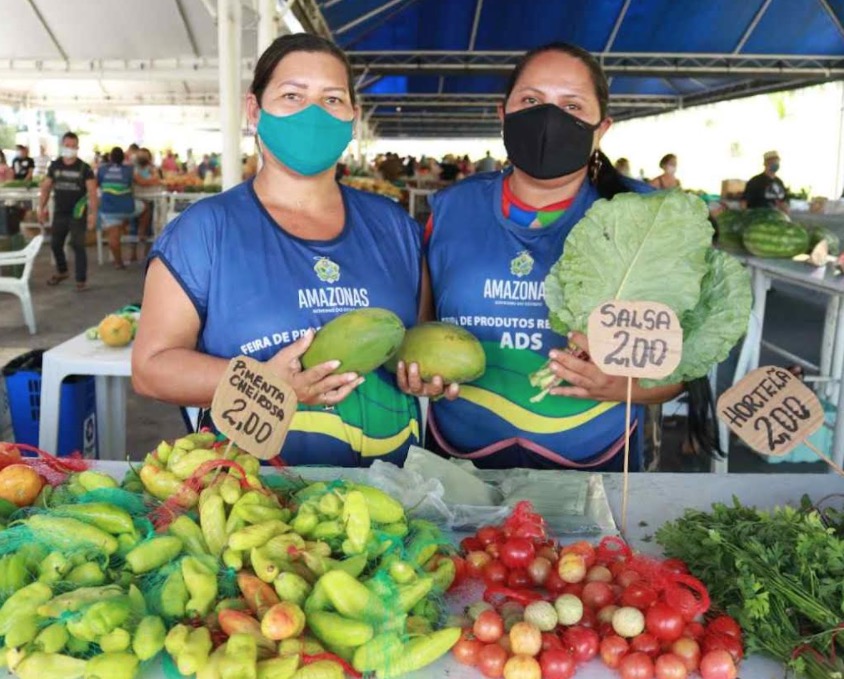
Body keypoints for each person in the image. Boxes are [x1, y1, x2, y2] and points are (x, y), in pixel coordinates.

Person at [132, 33, 423, 467]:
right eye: (292, 95)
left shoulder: (396, 226)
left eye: (332, 99)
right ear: (254, 110)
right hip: (254, 500)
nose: (313, 113)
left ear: (351, 118)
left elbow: (418, 339)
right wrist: (265, 382)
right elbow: (151, 368)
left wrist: (425, 374)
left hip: (396, 493)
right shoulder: (205, 230)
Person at [399, 42, 684, 470]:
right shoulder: (452, 209)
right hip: (459, 461)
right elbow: (420, 330)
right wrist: (417, 375)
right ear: (503, 113)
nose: (549, 119)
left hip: (595, 462)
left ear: (601, 127)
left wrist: (620, 385)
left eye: (571, 105)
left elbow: (682, 372)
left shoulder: (643, 217)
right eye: (531, 101)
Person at [39, 132, 98, 291]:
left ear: (77, 148)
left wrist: (93, 214)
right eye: (67, 146)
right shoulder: (55, 165)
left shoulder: (84, 168)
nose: (70, 149)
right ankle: (63, 270)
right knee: (55, 244)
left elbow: (92, 192)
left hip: (77, 212)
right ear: (62, 146)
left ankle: (81, 280)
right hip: (60, 211)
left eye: (73, 146)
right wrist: (41, 208)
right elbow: (46, 188)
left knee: (78, 245)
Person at [97, 146, 142, 269]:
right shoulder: (129, 170)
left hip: (108, 208)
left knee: (113, 237)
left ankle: (118, 262)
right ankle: (142, 232)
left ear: (110, 158)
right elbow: (141, 182)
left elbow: (97, 185)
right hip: (127, 208)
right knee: (146, 207)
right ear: (123, 158)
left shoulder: (102, 170)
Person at [131, 147, 160, 262]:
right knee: (133, 227)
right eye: (140, 155)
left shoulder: (153, 168)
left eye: (144, 155)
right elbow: (140, 181)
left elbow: (155, 179)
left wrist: (145, 181)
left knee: (149, 229)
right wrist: (148, 181)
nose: (142, 158)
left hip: (151, 199)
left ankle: (147, 254)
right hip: (136, 199)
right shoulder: (133, 169)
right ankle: (133, 253)